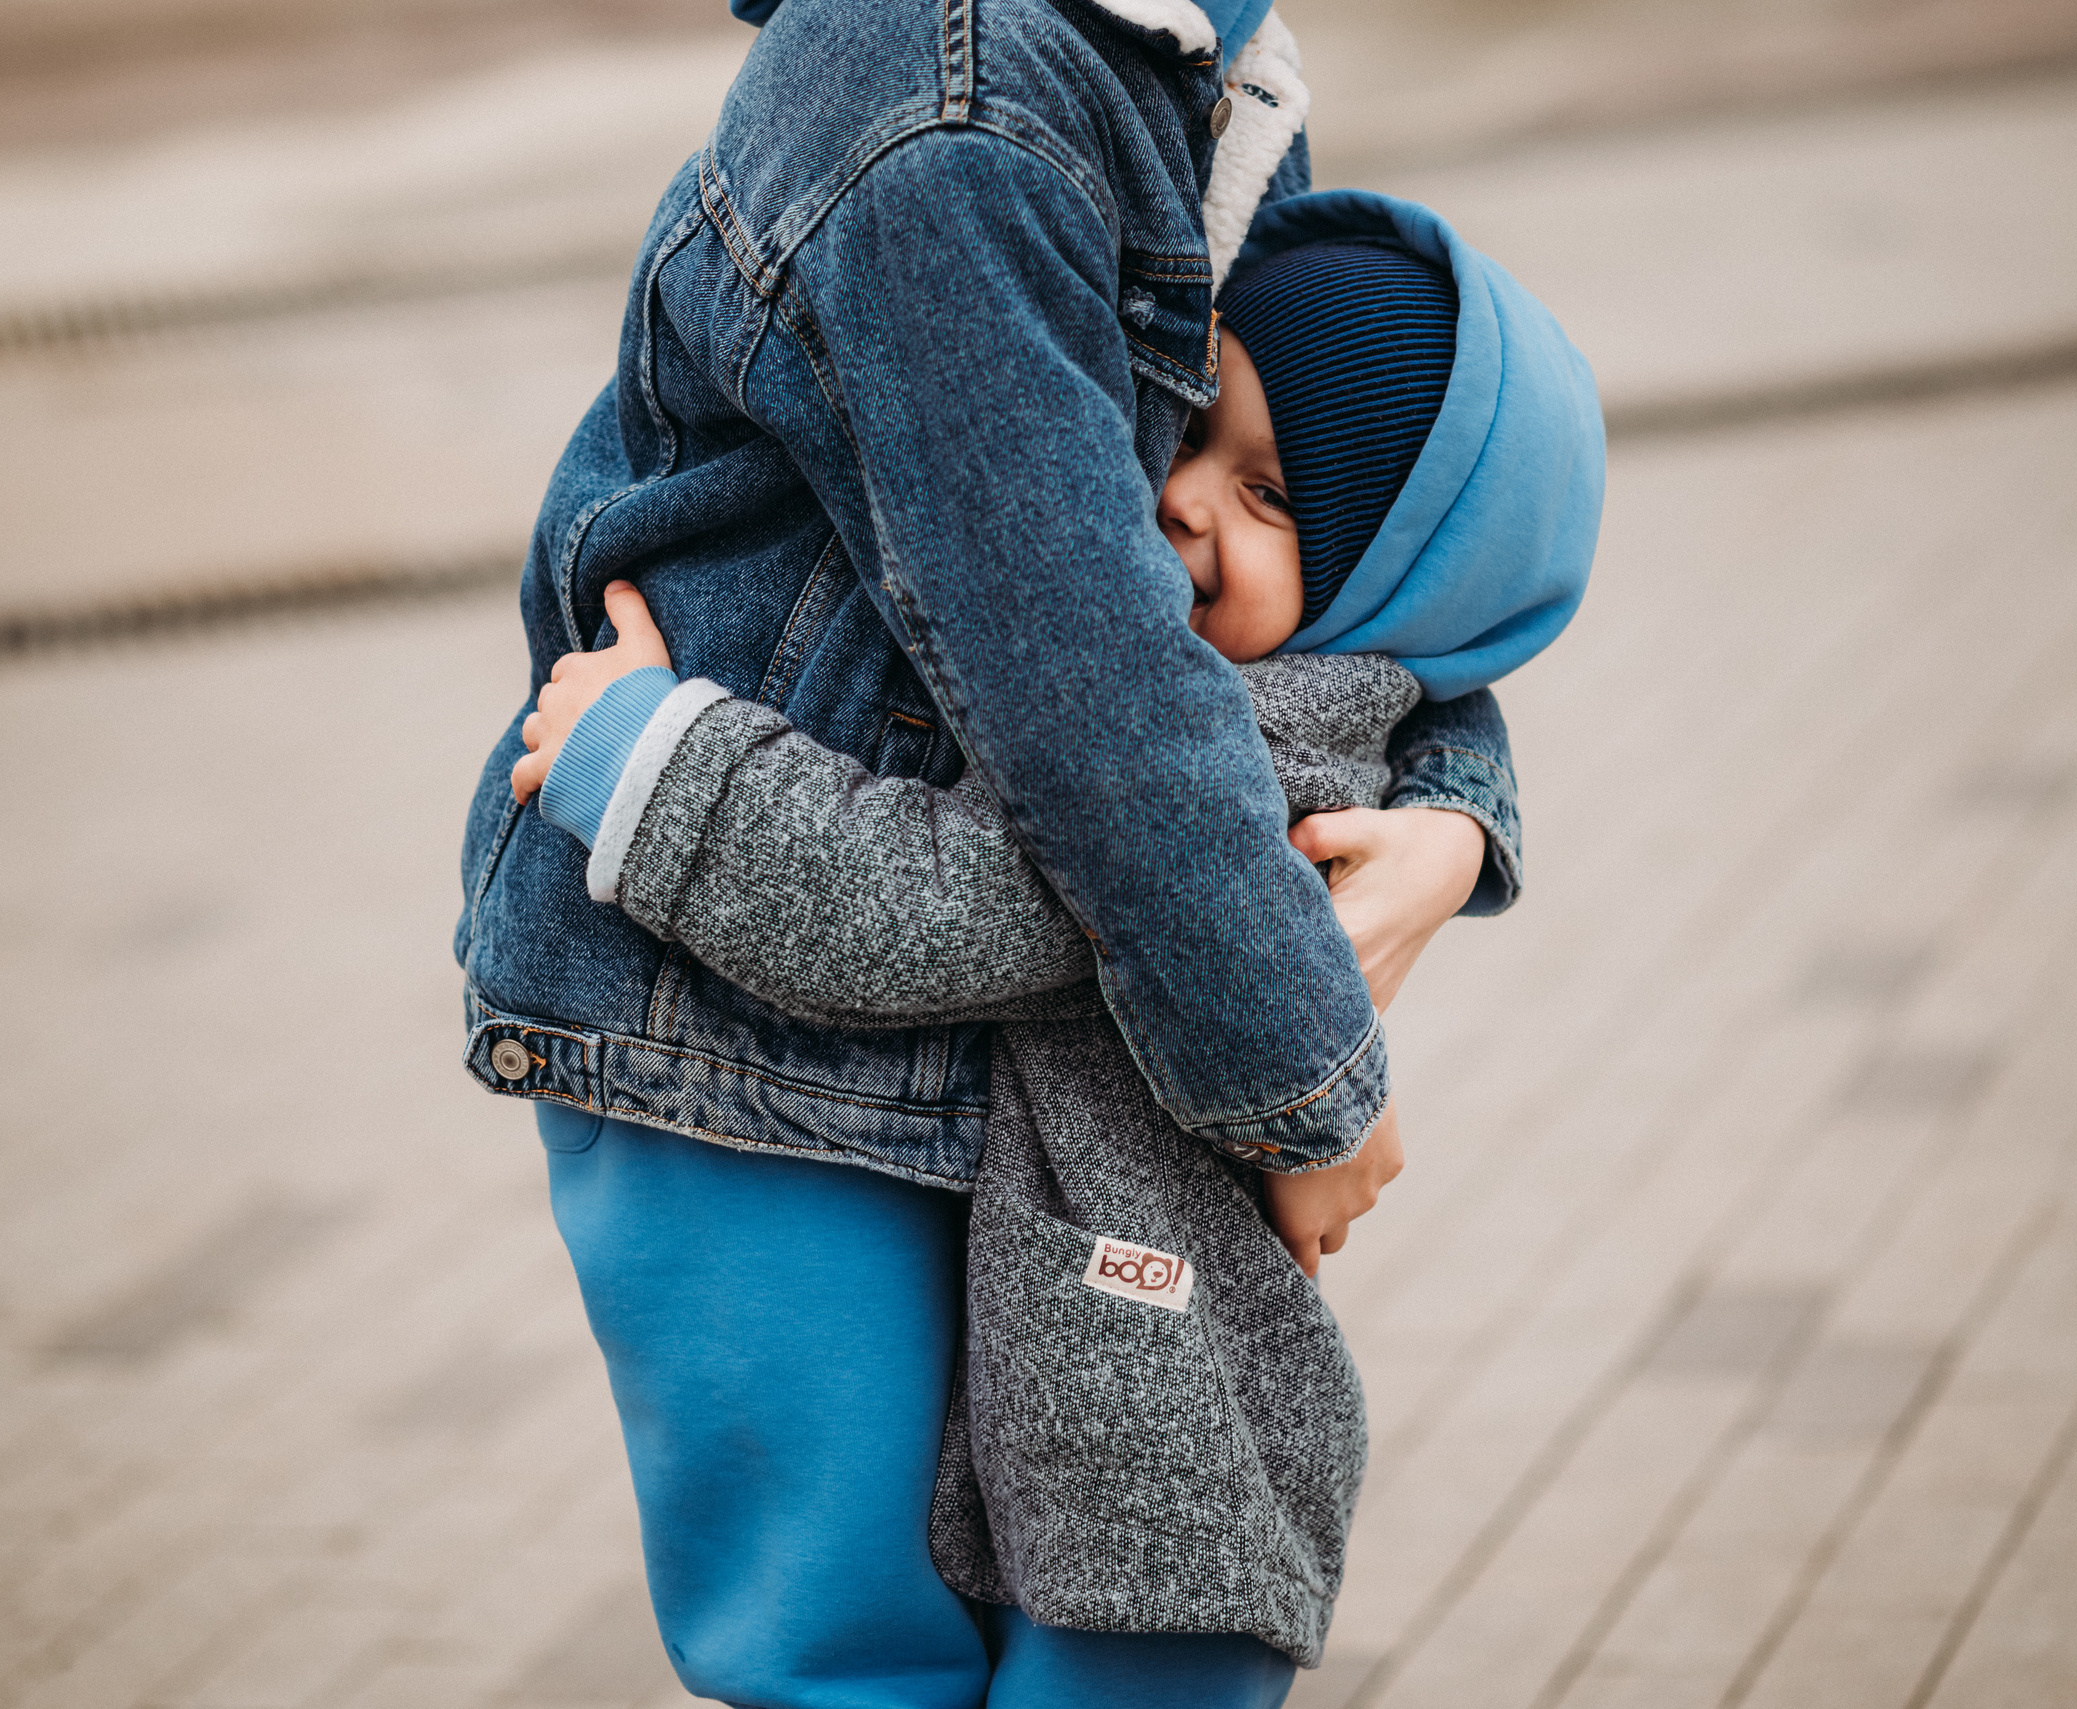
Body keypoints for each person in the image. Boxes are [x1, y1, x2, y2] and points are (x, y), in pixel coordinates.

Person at [453, 0, 1564, 1699]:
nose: (1185, 497)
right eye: (1212, 462)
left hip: (927, 1036)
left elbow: (1408, 590)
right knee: (846, 1658)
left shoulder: (1213, 74)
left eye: (1258, 492)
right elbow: (1099, 714)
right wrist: (1314, 1079)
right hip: (746, 1036)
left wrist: (1446, 820)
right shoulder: (955, 100)